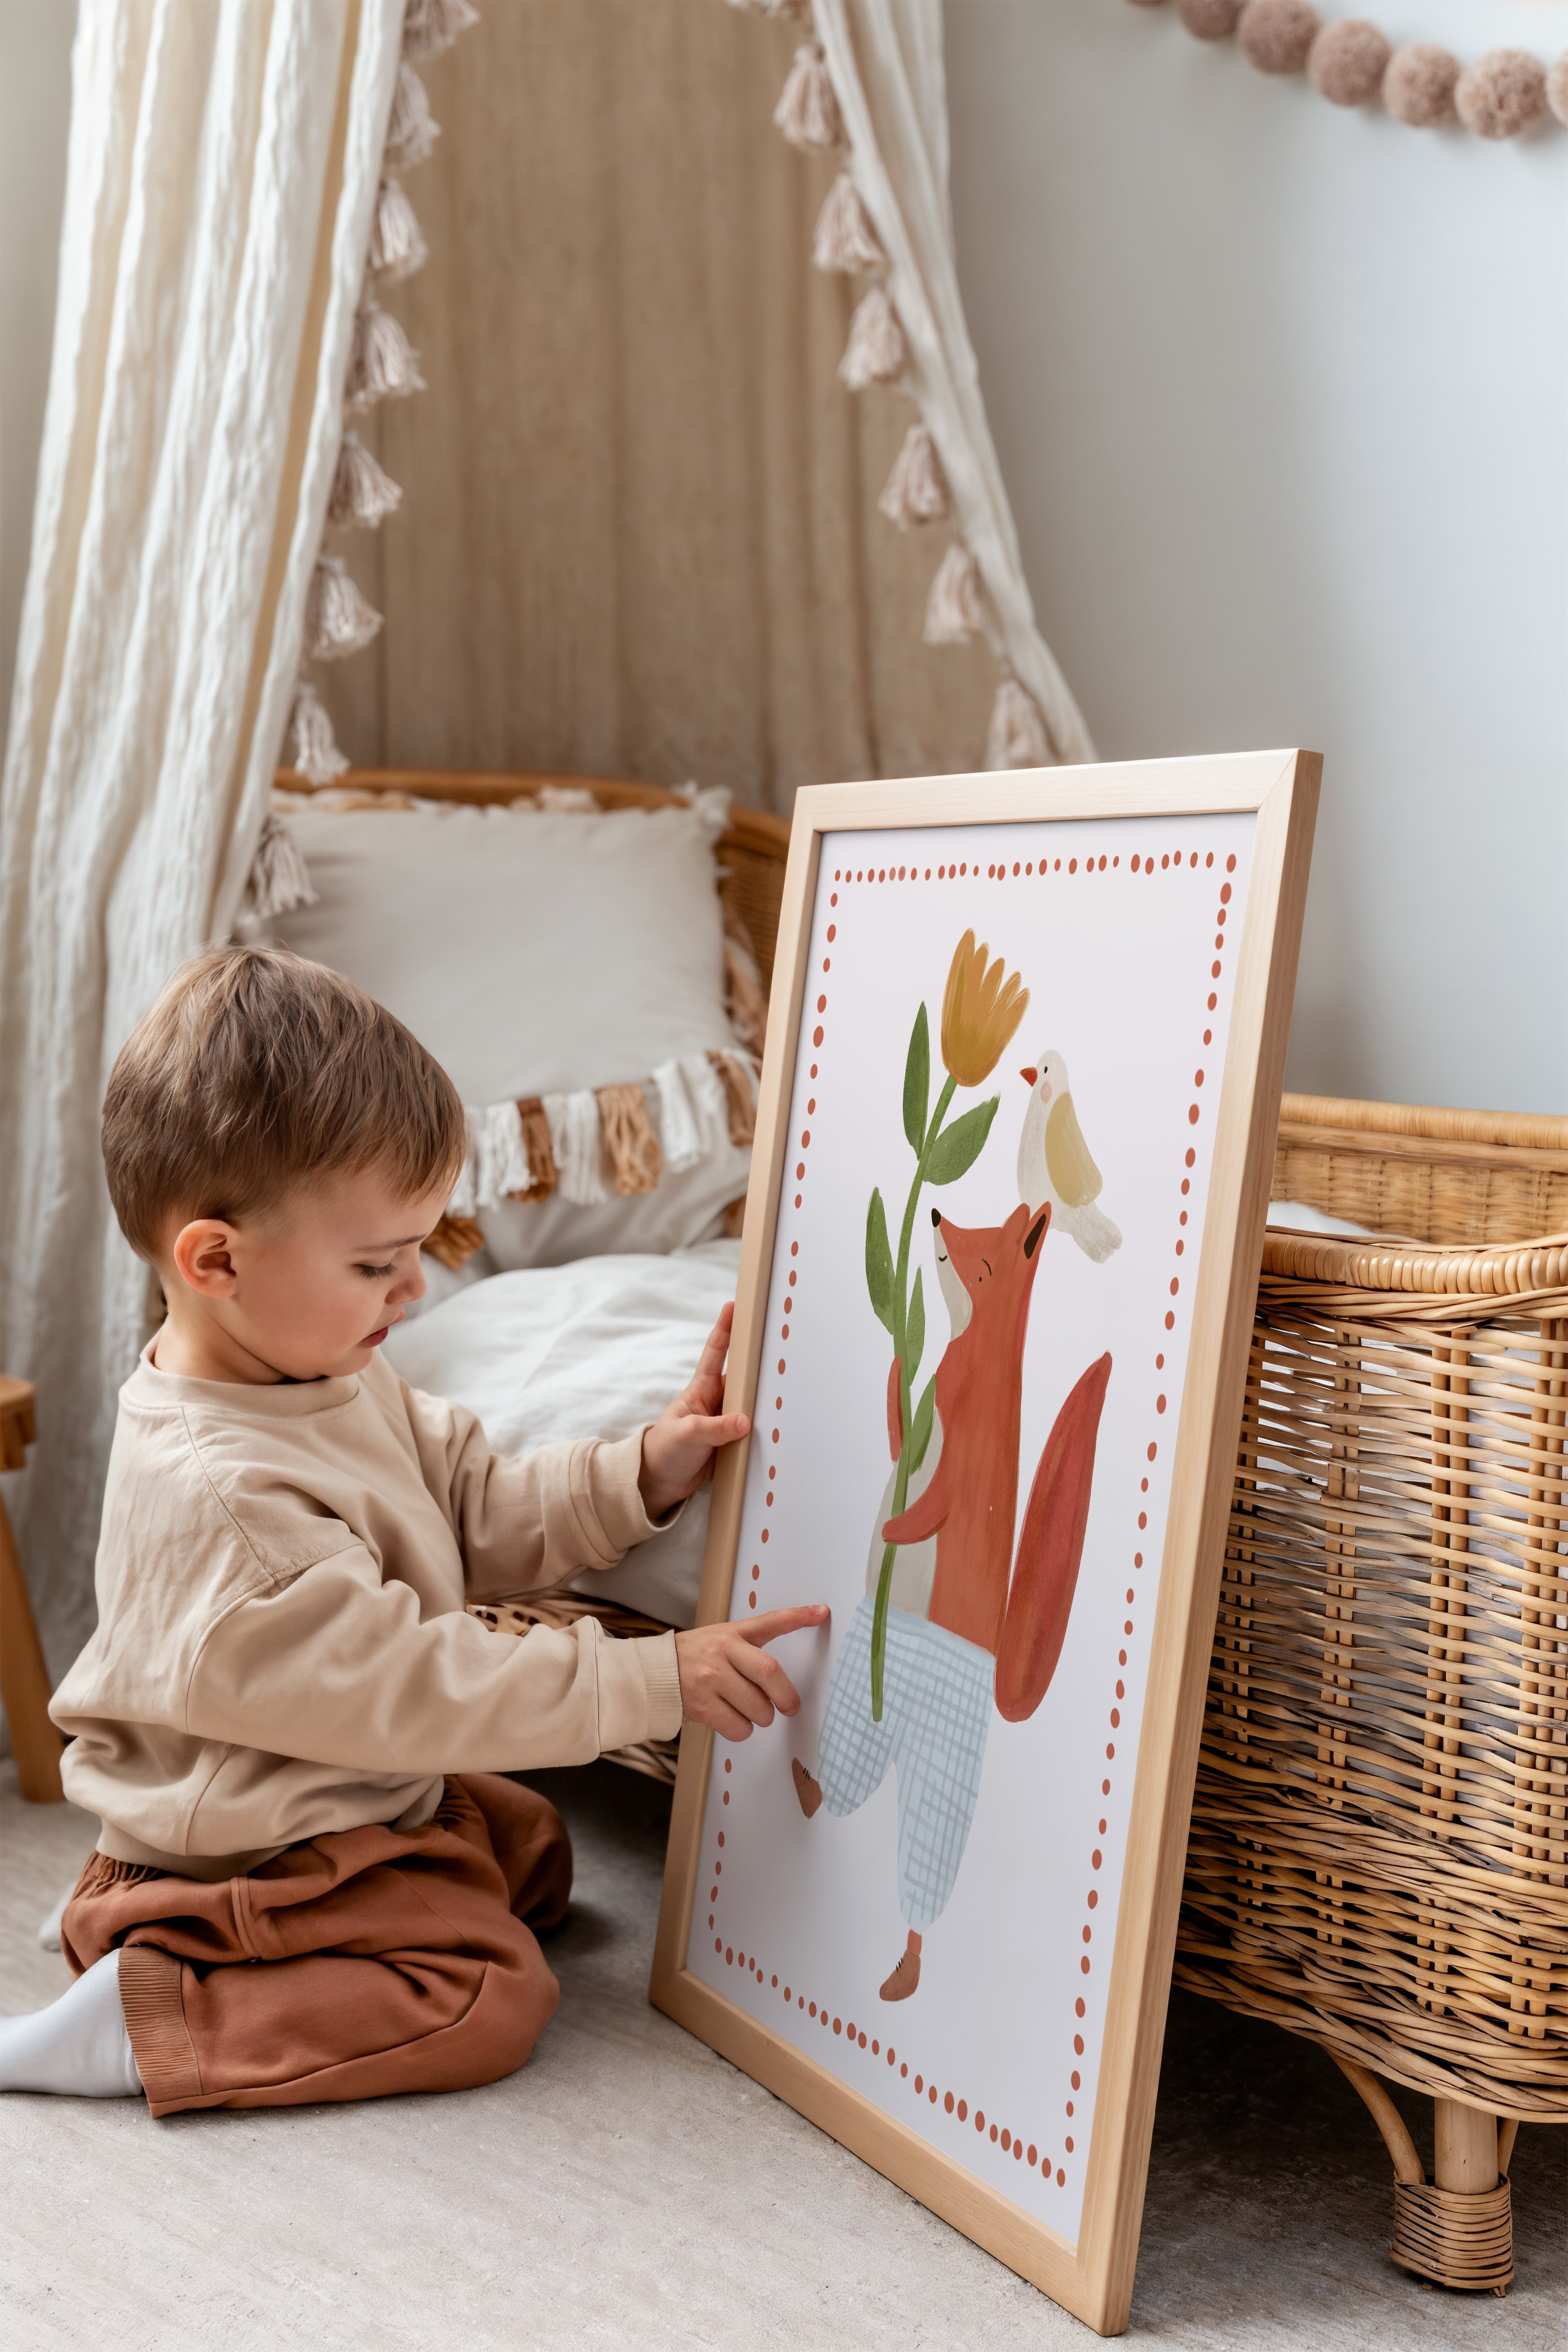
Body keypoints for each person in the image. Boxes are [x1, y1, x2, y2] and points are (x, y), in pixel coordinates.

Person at [0, 946, 824, 2115]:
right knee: (488, 1994)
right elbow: (425, 1683)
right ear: (218, 1260)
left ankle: (146, 1917)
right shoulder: (229, 1497)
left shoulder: (328, 1369)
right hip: (258, 1844)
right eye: (379, 1262)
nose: (413, 1293)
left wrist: (641, 1472)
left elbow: (473, 1504)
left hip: (332, 1774)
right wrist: (650, 1680)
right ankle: (154, 2007)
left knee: (530, 1852)